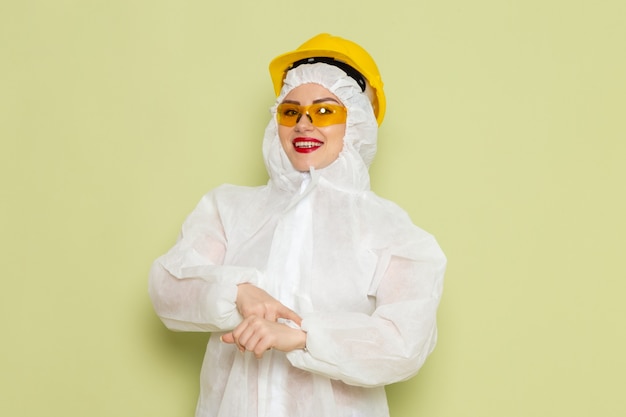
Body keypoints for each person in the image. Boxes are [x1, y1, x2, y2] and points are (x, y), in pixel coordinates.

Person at [149, 33, 446, 417]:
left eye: (325, 112)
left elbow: (406, 342)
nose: (304, 124)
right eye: (291, 112)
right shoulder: (229, 209)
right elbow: (167, 287)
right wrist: (238, 291)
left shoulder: (390, 230)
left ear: (354, 122)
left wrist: (304, 338)